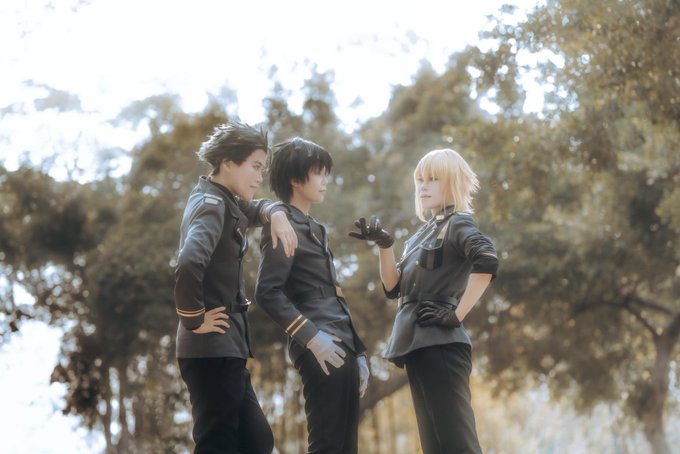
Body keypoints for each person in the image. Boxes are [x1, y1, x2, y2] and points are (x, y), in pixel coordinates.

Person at [349, 148, 498, 454]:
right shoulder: (422, 233)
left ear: (452, 182)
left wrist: (456, 315)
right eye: (420, 180)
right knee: (435, 446)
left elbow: (487, 261)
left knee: (457, 444)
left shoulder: (458, 223)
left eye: (433, 179)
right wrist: (385, 246)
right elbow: (393, 288)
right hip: (417, 344)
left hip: (442, 344)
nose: (423, 186)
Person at [174, 120, 298, 454]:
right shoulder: (211, 206)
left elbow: (255, 208)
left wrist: (277, 213)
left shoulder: (223, 198)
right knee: (218, 443)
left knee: (258, 441)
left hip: (227, 348)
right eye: (255, 167)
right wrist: (193, 318)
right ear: (228, 162)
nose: (260, 177)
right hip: (210, 347)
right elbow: (189, 261)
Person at [255, 137, 370, 454]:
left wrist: (359, 351)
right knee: (327, 444)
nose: (324, 181)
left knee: (347, 447)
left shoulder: (316, 228)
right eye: (318, 173)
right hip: (320, 344)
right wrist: (310, 337)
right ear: (295, 179)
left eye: (325, 173)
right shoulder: (282, 224)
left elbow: (335, 296)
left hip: (343, 344)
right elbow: (267, 292)